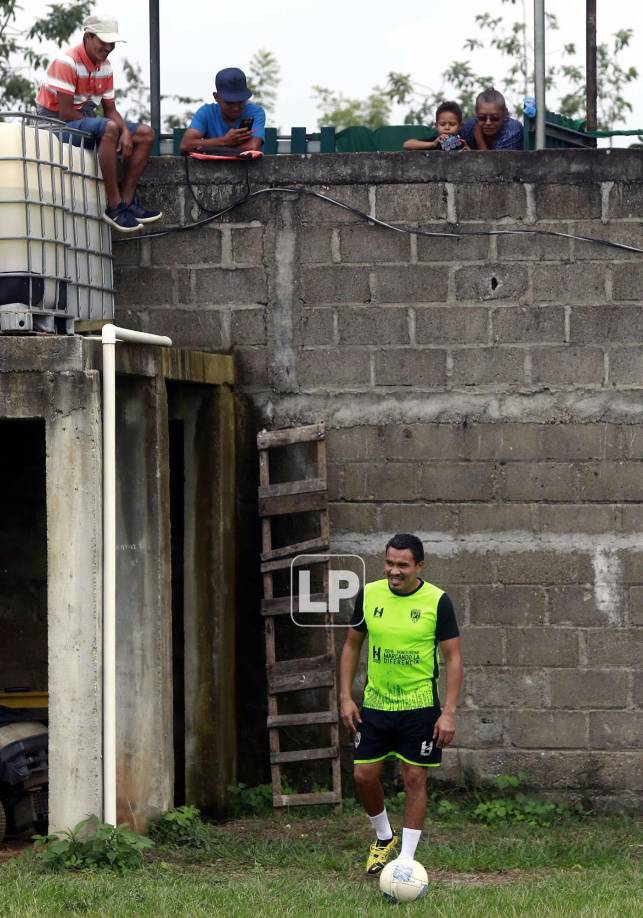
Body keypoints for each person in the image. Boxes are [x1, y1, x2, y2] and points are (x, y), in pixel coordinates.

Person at [339, 533, 463, 875]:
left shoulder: (437, 601)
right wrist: (346, 696)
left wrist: (448, 713)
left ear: (419, 566)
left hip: (420, 707)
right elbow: (351, 646)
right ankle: (383, 837)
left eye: (402, 565)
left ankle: (406, 861)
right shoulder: (370, 594)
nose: (394, 571)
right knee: (363, 776)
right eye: (390, 563)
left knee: (414, 779)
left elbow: (453, 659)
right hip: (376, 704)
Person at [36, 13, 161, 233]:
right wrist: (110, 128)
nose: (107, 48)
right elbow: (65, 113)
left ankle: (128, 201)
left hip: (85, 119)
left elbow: (111, 110)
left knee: (146, 134)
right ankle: (114, 206)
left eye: (111, 43)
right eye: (103, 42)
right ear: (88, 36)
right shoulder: (67, 62)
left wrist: (124, 132)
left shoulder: (105, 66)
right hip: (56, 125)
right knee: (109, 128)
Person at [179, 68, 265, 155]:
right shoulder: (206, 112)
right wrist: (224, 141)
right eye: (229, 102)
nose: (236, 108)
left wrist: (209, 148)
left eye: (241, 101)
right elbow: (185, 146)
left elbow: (252, 148)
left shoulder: (256, 112)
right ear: (216, 97)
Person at [403, 102, 469, 152]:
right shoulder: (434, 141)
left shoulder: (463, 142)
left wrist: (469, 152)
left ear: (460, 126)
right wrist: (433, 144)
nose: (447, 128)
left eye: (452, 124)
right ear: (436, 126)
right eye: (442, 124)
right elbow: (407, 145)